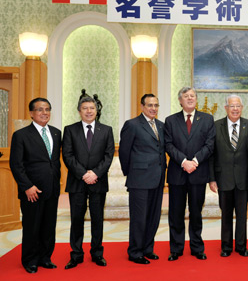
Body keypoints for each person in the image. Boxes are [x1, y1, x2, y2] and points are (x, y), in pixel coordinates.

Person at [9, 98, 61, 274]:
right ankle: (30, 260)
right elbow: (16, 164)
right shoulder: (21, 135)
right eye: (40, 109)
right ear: (31, 113)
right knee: (32, 227)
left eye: (47, 109)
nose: (44, 112)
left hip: (52, 189)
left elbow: (54, 162)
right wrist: (27, 186)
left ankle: (45, 257)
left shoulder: (56, 133)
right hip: (32, 191)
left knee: (48, 227)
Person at [62, 96, 115, 269]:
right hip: (77, 182)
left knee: (97, 219)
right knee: (76, 219)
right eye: (85, 108)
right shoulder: (70, 130)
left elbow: (108, 156)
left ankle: (97, 253)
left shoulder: (106, 130)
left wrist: (95, 173)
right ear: (79, 111)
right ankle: (76, 254)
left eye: (92, 108)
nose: (89, 111)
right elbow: (67, 155)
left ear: (96, 110)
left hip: (98, 182)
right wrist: (84, 174)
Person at [165, 87, 215, 261]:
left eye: (192, 96)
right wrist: (183, 162)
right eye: (186, 96)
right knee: (176, 213)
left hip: (198, 172)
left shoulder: (207, 119)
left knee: (196, 212)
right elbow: (168, 145)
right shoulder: (170, 120)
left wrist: (194, 161)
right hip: (177, 173)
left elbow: (210, 145)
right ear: (180, 100)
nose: (190, 98)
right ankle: (176, 249)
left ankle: (197, 247)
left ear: (196, 99)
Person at [119, 94, 167, 264]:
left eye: (156, 105)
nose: (153, 108)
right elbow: (124, 153)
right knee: (139, 217)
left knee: (154, 216)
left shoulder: (161, 126)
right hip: (139, 179)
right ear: (142, 106)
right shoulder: (132, 125)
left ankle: (148, 248)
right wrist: (130, 173)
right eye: (150, 105)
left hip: (158, 178)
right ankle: (135, 251)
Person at [209, 94, 248, 258]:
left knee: (242, 214)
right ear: (226, 108)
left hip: (244, 178)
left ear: (242, 108)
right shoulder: (215, 126)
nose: (235, 109)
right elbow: (211, 155)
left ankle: (241, 246)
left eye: (238, 106)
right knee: (226, 214)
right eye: (232, 106)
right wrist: (212, 178)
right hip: (223, 178)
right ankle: (226, 246)